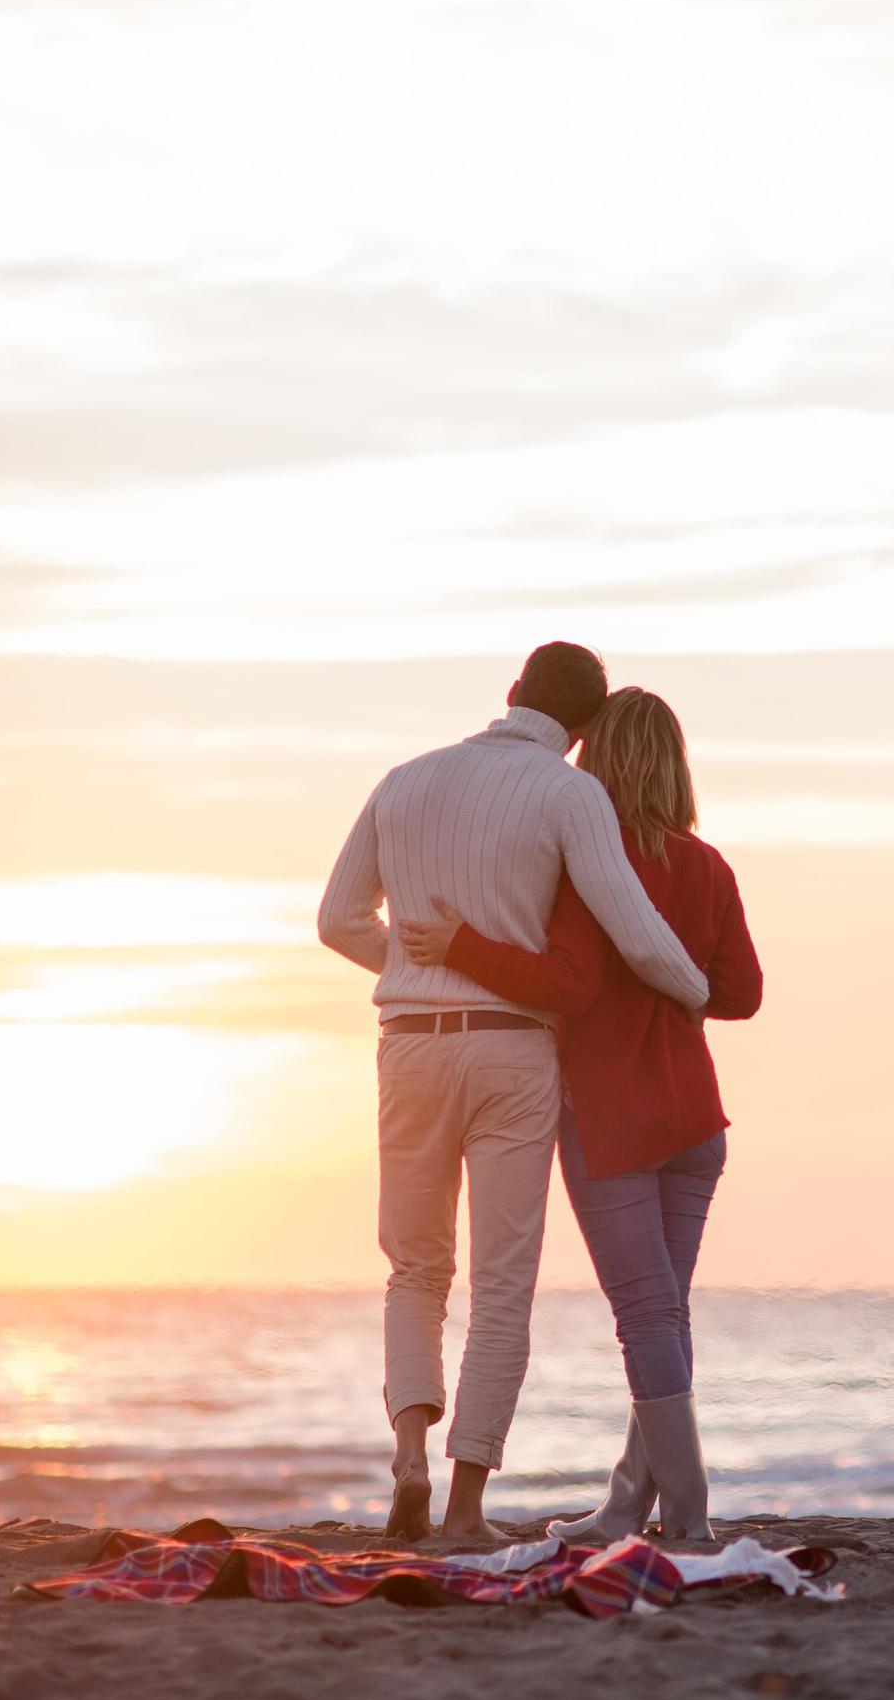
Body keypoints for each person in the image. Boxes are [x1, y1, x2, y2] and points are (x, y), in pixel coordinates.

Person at [316, 644, 711, 1542]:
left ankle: (408, 1460)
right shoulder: (570, 793)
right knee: (502, 1286)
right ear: (584, 730)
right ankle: (464, 1510)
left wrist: (415, 971)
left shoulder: (402, 781)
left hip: (408, 1046)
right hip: (513, 1051)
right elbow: (634, 930)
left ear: (509, 695)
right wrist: (694, 991)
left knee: (415, 1269)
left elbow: (338, 920)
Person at [393, 687, 761, 1546]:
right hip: (694, 1121)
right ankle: (631, 1501)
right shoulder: (708, 866)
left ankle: (688, 1513)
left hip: (611, 1123)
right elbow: (740, 993)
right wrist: (676, 990)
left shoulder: (588, 865)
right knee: (665, 1313)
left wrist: (460, 947)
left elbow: (569, 984)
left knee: (647, 1316)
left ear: (595, 761)